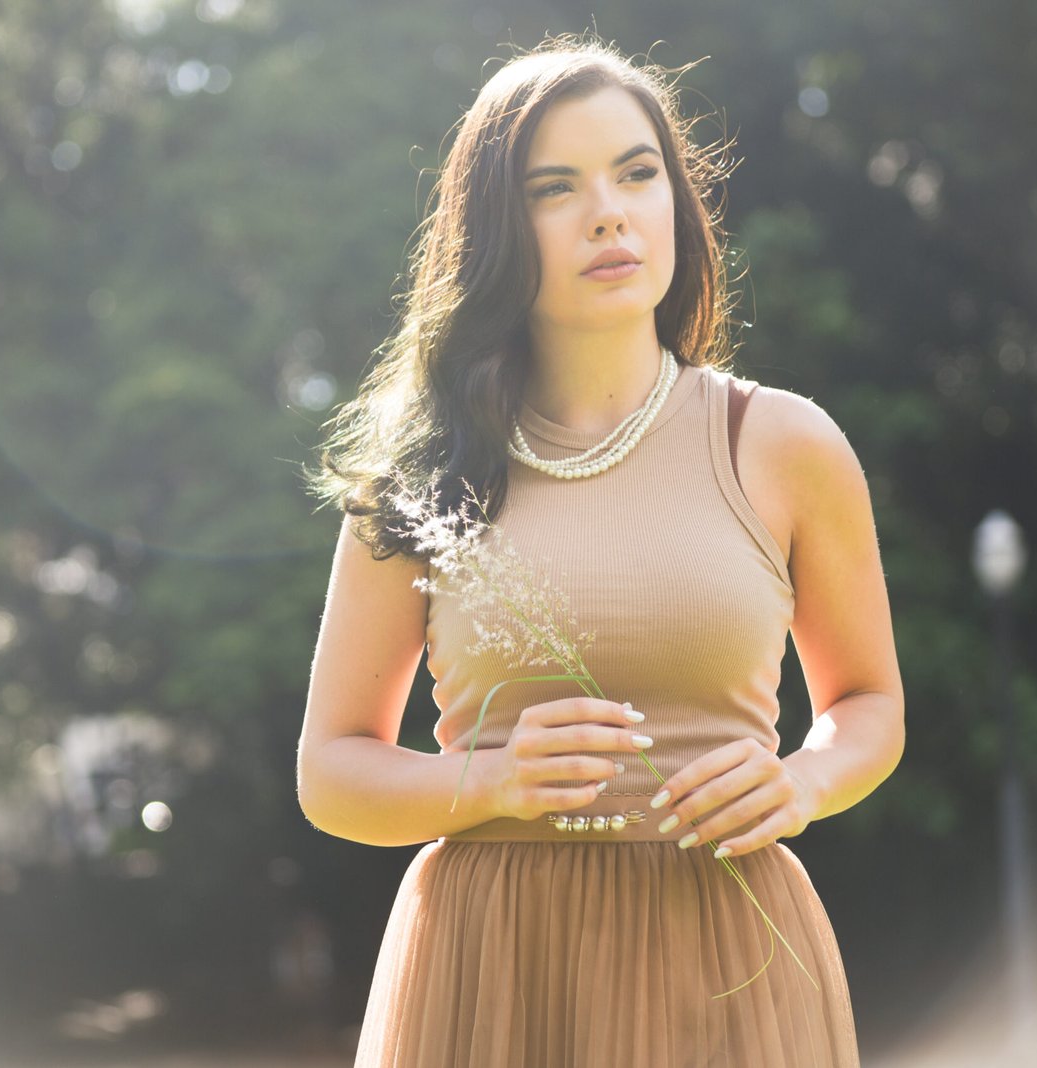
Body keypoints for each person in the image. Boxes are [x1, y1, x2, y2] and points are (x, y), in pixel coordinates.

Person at [297, 33, 903, 1068]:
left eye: (636, 173)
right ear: (495, 229)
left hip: (728, 956)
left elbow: (869, 707)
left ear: (677, 199)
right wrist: (484, 783)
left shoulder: (783, 445)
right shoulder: (420, 475)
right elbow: (329, 770)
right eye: (555, 188)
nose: (609, 212)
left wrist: (803, 782)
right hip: (495, 971)